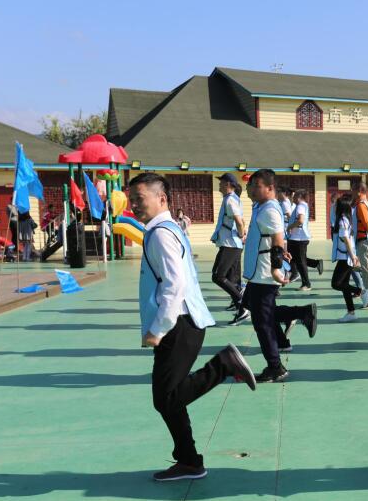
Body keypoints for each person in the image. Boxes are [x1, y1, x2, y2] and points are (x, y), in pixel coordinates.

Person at [128, 172, 256, 482]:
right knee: (169, 398)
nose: (133, 205)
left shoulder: (160, 233)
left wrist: (157, 330)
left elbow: (175, 285)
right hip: (184, 322)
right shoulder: (167, 228)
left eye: (139, 199)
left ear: (161, 198)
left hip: (178, 324)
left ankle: (224, 365)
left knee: (166, 399)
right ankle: (188, 461)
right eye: (131, 200)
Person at [241, 169, 317, 382]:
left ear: (270, 188)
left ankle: (276, 367)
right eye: (251, 185)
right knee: (257, 309)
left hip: (265, 274)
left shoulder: (270, 210)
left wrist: (276, 267)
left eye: (256, 186)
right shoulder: (261, 207)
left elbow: (277, 238)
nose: (252, 189)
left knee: (262, 323)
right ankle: (302, 313)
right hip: (258, 272)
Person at [210, 173, 248, 324]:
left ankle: (242, 305)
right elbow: (241, 220)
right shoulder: (232, 199)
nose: (219, 185)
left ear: (228, 184)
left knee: (218, 276)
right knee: (232, 279)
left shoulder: (231, 200)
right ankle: (239, 305)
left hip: (230, 244)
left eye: (221, 183)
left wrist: (240, 234)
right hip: (231, 245)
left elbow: (239, 221)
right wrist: (242, 233)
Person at [332, 193, 362, 322]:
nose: (334, 207)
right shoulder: (346, 219)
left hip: (346, 258)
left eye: (336, 205)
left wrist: (353, 256)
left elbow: (346, 240)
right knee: (344, 285)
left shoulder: (343, 220)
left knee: (336, 284)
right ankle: (351, 312)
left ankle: (360, 291)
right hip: (345, 257)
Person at [286, 189, 324, 291]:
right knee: (295, 259)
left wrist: (289, 227)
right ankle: (315, 264)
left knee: (300, 261)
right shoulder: (303, 205)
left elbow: (300, 220)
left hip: (299, 238)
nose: (292, 197)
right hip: (297, 237)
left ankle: (306, 284)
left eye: (294, 196)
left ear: (298, 197)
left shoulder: (300, 206)